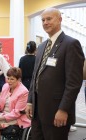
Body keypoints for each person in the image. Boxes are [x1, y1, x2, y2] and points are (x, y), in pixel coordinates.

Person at [25, 8, 85, 140]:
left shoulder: (71, 44)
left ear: (60, 20)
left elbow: (74, 83)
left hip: (56, 112)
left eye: (49, 19)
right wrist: (30, 102)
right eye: (43, 20)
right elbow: (35, 76)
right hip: (37, 112)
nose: (45, 22)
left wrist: (63, 109)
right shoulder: (41, 47)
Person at [0, 67, 31, 140]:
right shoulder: (5, 86)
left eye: (12, 79)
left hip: (18, 118)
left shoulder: (24, 92)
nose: (9, 81)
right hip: (4, 115)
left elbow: (17, 113)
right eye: (8, 78)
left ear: (19, 80)